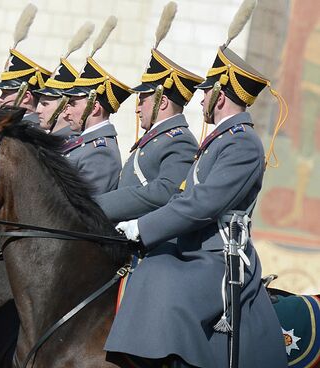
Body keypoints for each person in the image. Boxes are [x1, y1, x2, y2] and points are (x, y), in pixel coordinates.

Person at [108, 43, 288, 368]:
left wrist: (142, 227)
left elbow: (204, 204)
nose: (201, 99)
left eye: (206, 93)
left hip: (219, 258)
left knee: (162, 278)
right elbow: (183, 197)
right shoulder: (220, 140)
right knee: (150, 265)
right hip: (194, 250)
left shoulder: (243, 143)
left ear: (220, 97)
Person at [95, 21, 201, 222]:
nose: (137, 107)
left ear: (162, 102)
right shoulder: (157, 138)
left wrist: (98, 206)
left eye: (142, 100)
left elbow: (165, 192)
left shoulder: (180, 141)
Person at [61, 53, 132, 197]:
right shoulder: (85, 144)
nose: (65, 113)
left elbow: (85, 209)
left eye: (73, 104)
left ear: (94, 108)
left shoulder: (100, 151)